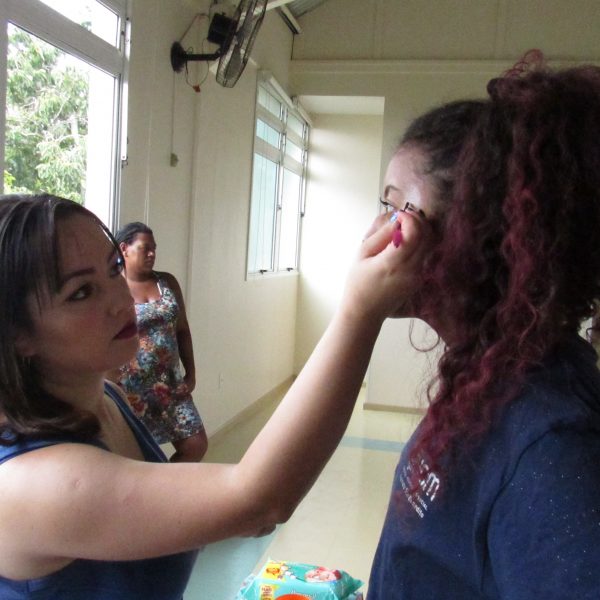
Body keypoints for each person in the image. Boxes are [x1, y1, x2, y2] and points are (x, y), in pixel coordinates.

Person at [0, 192, 418, 599]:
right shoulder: (36, 484)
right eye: (81, 292)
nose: (120, 298)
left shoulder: (108, 397)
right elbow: (261, 502)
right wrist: (360, 310)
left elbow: (245, 510)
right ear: (17, 333)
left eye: (113, 269)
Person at [367, 51, 600, 598]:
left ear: (469, 234)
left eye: (397, 209)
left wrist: (359, 312)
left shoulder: (553, 448)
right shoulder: (483, 372)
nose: (377, 229)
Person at [111, 221, 206, 462]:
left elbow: (182, 330)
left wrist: (191, 373)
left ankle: (165, 483)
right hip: (129, 389)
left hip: (169, 385)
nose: (152, 253)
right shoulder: (113, 287)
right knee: (136, 457)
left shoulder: (167, 282)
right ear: (124, 249)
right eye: (145, 248)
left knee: (196, 444)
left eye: (154, 248)